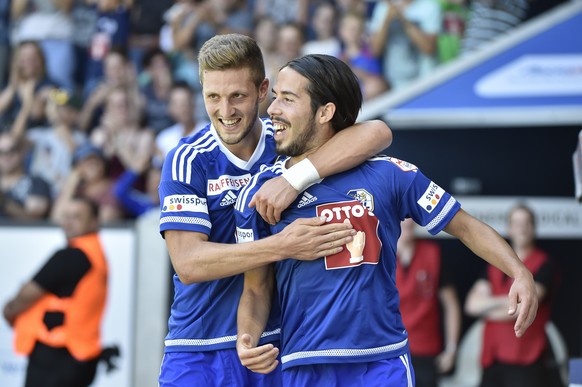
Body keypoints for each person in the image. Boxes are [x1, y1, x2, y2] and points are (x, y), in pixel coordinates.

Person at [233, 54, 538, 386]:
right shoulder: (260, 192)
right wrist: (247, 336)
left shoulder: (391, 174)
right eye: (275, 96)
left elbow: (464, 225)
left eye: (287, 99)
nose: (273, 109)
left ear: (325, 111)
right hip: (304, 364)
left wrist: (518, 271)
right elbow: (256, 288)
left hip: (382, 362)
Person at [157, 33, 393, 386]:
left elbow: (377, 132)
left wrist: (294, 180)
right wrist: (283, 245)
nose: (226, 112)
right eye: (213, 97)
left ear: (263, 89)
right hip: (198, 346)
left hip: (275, 347)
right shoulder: (187, 159)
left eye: (237, 95)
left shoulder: (288, 140)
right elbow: (189, 263)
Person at [3, 197, 108, 387]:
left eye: (76, 217)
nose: (68, 222)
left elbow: (27, 294)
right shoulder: (95, 253)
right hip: (79, 355)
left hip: (57, 355)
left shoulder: (73, 256)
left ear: (93, 222)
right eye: (66, 216)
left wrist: (9, 311)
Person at [465, 203, 558, 387]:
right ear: (509, 228)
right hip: (492, 358)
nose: (521, 228)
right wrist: (507, 300)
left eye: (526, 223)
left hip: (526, 359)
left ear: (534, 227)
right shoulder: (495, 264)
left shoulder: (545, 264)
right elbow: (471, 305)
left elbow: (524, 307)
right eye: (516, 223)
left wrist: (487, 308)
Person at [396, 217, 461, 387]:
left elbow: (451, 305)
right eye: (402, 218)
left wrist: (451, 349)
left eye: (410, 218)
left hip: (426, 350)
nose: (407, 222)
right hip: (391, 349)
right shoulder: (381, 254)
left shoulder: (433, 253)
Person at [369, 0, 442, 91]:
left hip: (426, 81)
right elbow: (375, 50)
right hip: (395, 84)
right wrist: (387, 20)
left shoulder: (430, 6)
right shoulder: (382, 7)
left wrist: (402, 18)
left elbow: (429, 49)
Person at [0, 132, 51, 220]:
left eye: (12, 150)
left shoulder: (37, 183)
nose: (7, 156)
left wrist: (4, 202)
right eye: (1, 152)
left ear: (22, 152)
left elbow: (35, 219)